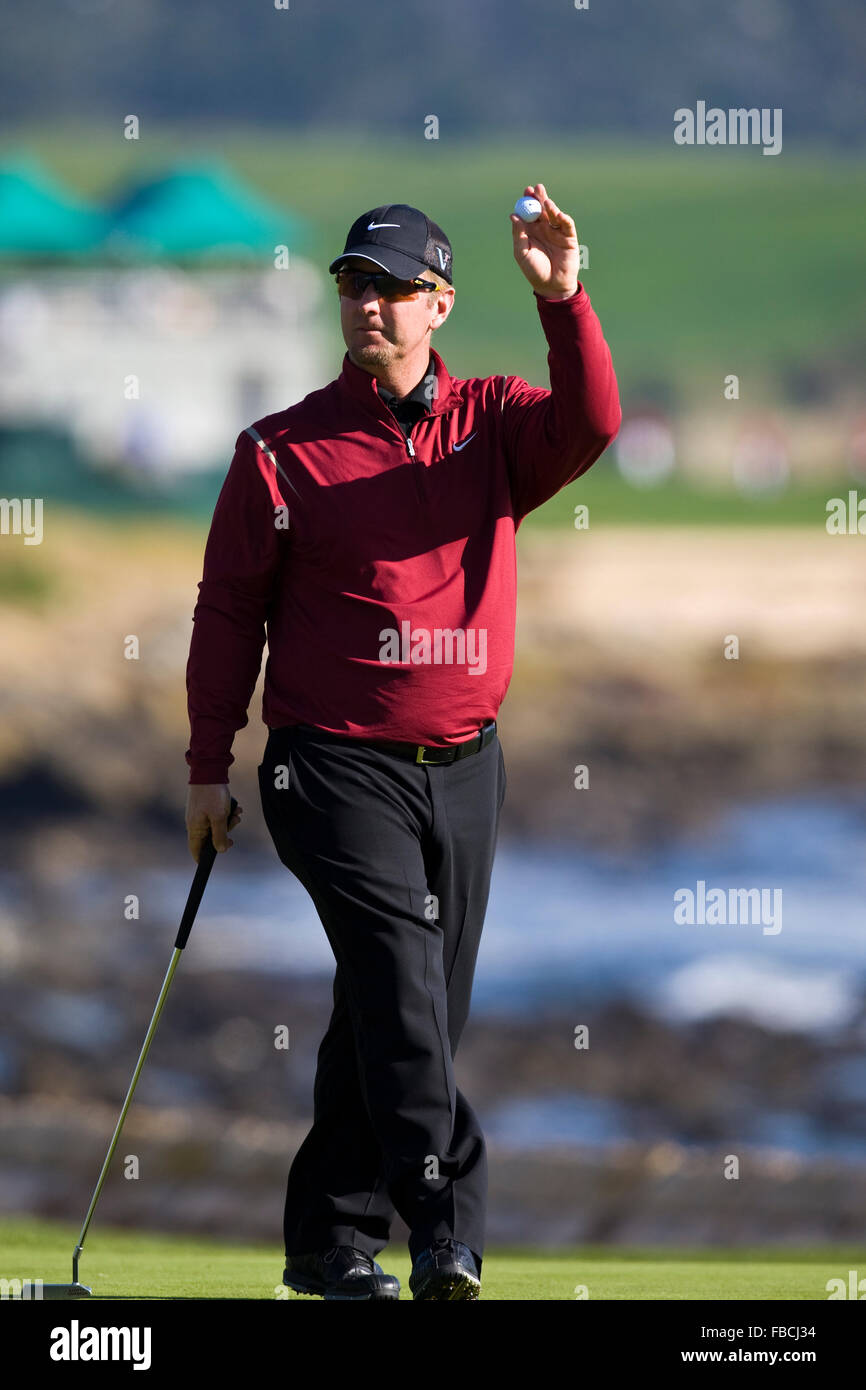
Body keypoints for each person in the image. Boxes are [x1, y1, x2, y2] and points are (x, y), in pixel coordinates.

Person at [184, 183, 621, 1300]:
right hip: (326, 763)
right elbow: (228, 611)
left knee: (403, 1011)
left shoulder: (494, 424)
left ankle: (327, 1242)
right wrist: (205, 763)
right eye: (350, 284)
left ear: (439, 303)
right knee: (400, 989)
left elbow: (593, 426)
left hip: (466, 766)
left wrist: (564, 302)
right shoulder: (279, 452)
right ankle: (445, 1231)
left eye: (388, 288)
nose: (365, 303)